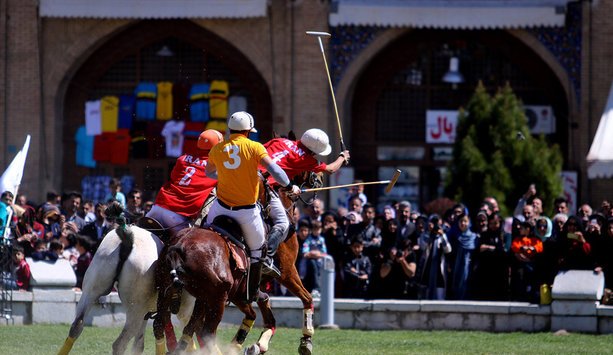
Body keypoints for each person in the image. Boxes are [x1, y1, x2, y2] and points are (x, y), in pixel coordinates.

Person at [205, 111, 299, 302]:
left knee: (203, 233)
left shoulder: (217, 148)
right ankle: (250, 293)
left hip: (219, 208)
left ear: (230, 129)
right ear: (248, 131)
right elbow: (275, 171)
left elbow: (209, 173)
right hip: (246, 213)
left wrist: (226, 176)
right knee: (259, 252)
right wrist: (289, 186)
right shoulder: (255, 147)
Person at [259, 128, 349, 276]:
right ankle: (266, 258)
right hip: (263, 186)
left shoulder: (280, 140)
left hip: (247, 176)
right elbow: (331, 169)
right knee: (283, 222)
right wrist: (342, 157)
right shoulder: (306, 159)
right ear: (313, 151)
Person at [146, 129, 223, 236]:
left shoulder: (182, 159)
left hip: (158, 207)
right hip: (177, 217)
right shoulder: (217, 166)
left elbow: (174, 177)